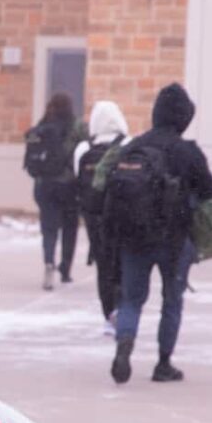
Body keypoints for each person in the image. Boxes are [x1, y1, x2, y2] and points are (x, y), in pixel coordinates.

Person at [108, 83, 212, 385]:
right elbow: (210, 190)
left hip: (133, 237)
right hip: (174, 240)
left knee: (131, 300)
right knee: (171, 300)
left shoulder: (132, 147)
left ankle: (124, 344)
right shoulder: (187, 151)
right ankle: (163, 363)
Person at [74, 100, 130, 336]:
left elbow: (78, 178)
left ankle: (108, 314)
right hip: (121, 213)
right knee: (123, 263)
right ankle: (122, 309)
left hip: (94, 215)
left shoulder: (83, 149)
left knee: (103, 266)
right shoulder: (127, 145)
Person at [28, 93, 82, 290]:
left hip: (44, 185)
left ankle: (48, 262)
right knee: (70, 228)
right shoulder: (75, 126)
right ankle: (65, 269)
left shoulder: (43, 125)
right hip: (69, 185)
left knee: (49, 228)